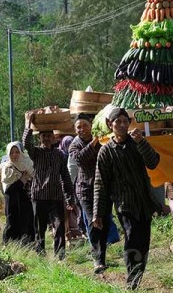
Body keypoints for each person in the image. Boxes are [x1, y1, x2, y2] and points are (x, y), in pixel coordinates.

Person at [93, 107, 161, 290]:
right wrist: (97, 214)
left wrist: (142, 142)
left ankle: (137, 275)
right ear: (110, 125)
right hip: (124, 204)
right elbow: (100, 184)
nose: (122, 125)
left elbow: (153, 162)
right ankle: (132, 281)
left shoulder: (137, 143)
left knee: (143, 242)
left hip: (144, 202)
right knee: (131, 238)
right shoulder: (106, 152)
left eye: (125, 122)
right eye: (118, 122)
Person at [68, 113, 120, 274]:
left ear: (91, 125)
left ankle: (102, 256)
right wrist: (93, 143)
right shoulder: (74, 145)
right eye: (78, 127)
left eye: (85, 125)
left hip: (104, 189)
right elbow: (80, 160)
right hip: (85, 190)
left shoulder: (103, 141)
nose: (82, 129)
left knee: (104, 220)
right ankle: (97, 259)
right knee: (93, 221)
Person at [23, 112, 77, 260]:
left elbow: (65, 177)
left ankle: (60, 256)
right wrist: (28, 124)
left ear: (53, 138)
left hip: (56, 196)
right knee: (39, 228)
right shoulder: (36, 152)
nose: (46, 138)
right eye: (43, 136)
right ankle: (40, 254)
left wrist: (70, 198)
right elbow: (26, 143)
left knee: (59, 226)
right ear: (39, 137)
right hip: (39, 195)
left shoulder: (59, 154)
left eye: (49, 136)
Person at [0, 141, 35, 244]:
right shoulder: (6, 166)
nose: (14, 155)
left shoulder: (27, 163)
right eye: (11, 152)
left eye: (17, 152)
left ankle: (27, 243)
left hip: (24, 196)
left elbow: (33, 176)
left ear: (20, 152)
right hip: (11, 197)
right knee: (11, 219)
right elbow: (3, 182)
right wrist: (22, 179)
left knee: (26, 219)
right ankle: (10, 243)